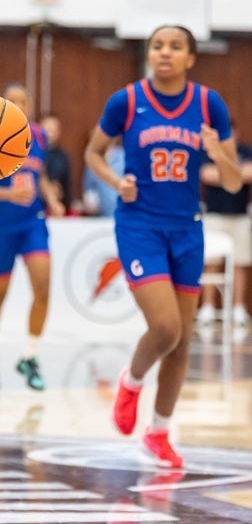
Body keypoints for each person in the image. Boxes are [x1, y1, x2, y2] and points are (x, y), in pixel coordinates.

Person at [84, 24, 240, 469]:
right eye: (157, 46)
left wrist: (219, 152)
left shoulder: (209, 104)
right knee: (167, 328)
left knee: (183, 342)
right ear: (149, 54)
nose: (165, 53)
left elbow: (231, 181)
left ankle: (158, 432)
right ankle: (131, 381)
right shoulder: (127, 101)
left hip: (187, 229)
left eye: (175, 47)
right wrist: (116, 182)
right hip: (140, 226)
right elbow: (93, 154)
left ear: (191, 57)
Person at [0, 82, 65, 395]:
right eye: (12, 101)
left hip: (31, 223)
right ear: (2, 106)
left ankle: (30, 357)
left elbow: (40, 175)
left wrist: (51, 199)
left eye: (23, 100)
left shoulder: (40, 136)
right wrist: (10, 193)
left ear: (30, 106)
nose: (18, 105)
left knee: (43, 287)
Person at [196, 123, 252, 341]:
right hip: (214, 215)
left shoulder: (245, 150)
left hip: (239, 216)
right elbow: (206, 175)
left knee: (240, 262)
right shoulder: (207, 154)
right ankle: (207, 308)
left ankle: (238, 308)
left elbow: (248, 175)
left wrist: (229, 174)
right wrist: (233, 174)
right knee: (211, 263)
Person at [82, 136, 125, 217]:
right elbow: (89, 187)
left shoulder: (123, 156)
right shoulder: (92, 160)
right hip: (103, 214)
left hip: (124, 211)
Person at [39, 113, 72, 211]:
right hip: (33, 203)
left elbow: (67, 185)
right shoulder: (32, 153)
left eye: (53, 130)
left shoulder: (62, 157)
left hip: (55, 206)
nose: (50, 133)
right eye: (47, 129)